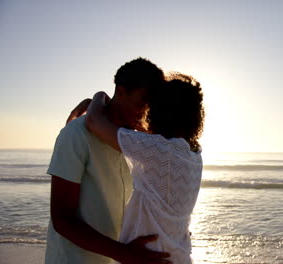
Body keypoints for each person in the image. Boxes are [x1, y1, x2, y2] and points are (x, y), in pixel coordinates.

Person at [46, 58, 171, 264]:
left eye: (150, 106)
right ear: (121, 92)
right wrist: (126, 254)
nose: (145, 112)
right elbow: (62, 219)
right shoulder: (76, 134)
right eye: (141, 103)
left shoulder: (138, 141)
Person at [83, 72, 205, 264]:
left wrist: (99, 97)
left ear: (160, 112)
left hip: (150, 256)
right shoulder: (193, 154)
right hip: (177, 256)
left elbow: (93, 122)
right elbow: (147, 134)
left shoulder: (158, 150)